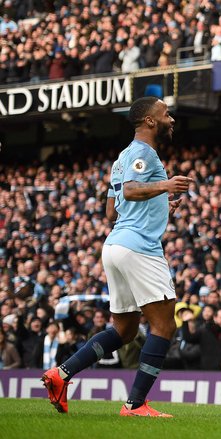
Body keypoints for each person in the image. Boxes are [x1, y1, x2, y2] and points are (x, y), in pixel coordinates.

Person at [41, 96, 192, 417]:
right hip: (139, 248)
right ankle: (135, 404)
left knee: (124, 330)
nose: (171, 119)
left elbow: (113, 209)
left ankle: (61, 374)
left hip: (116, 246)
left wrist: (163, 204)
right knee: (164, 325)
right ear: (150, 121)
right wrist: (166, 186)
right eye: (166, 114)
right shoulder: (142, 152)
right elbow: (129, 191)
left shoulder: (121, 159)